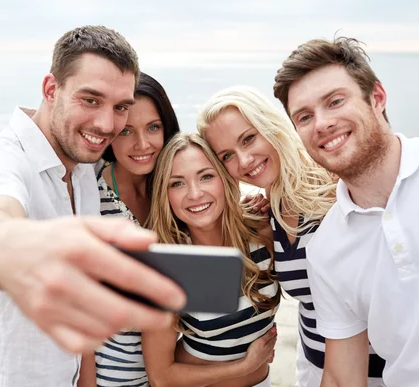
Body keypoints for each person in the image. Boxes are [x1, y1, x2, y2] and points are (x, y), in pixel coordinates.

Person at [0, 26, 186, 387]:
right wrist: (14, 247)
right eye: (90, 100)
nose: (106, 124)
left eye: (120, 107)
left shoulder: (86, 168)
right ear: (51, 90)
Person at [272, 36, 419, 386]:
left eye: (335, 101)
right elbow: (342, 376)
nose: (321, 124)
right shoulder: (326, 250)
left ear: (377, 98)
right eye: (304, 117)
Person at [197, 86, 385, 386]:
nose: (244, 161)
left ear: (271, 126)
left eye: (249, 138)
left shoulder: (336, 187)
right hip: (313, 367)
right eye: (227, 155)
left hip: (380, 372)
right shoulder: (268, 213)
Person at [141, 133, 280, 387]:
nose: (195, 194)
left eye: (206, 176)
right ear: (165, 194)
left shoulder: (260, 233)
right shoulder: (169, 268)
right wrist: (243, 366)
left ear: (224, 178)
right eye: (177, 183)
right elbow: (161, 377)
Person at [77, 71, 180, 387]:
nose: (142, 144)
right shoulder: (91, 197)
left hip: (175, 367)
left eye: (153, 127)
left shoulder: (174, 187)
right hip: (114, 375)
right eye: (126, 132)